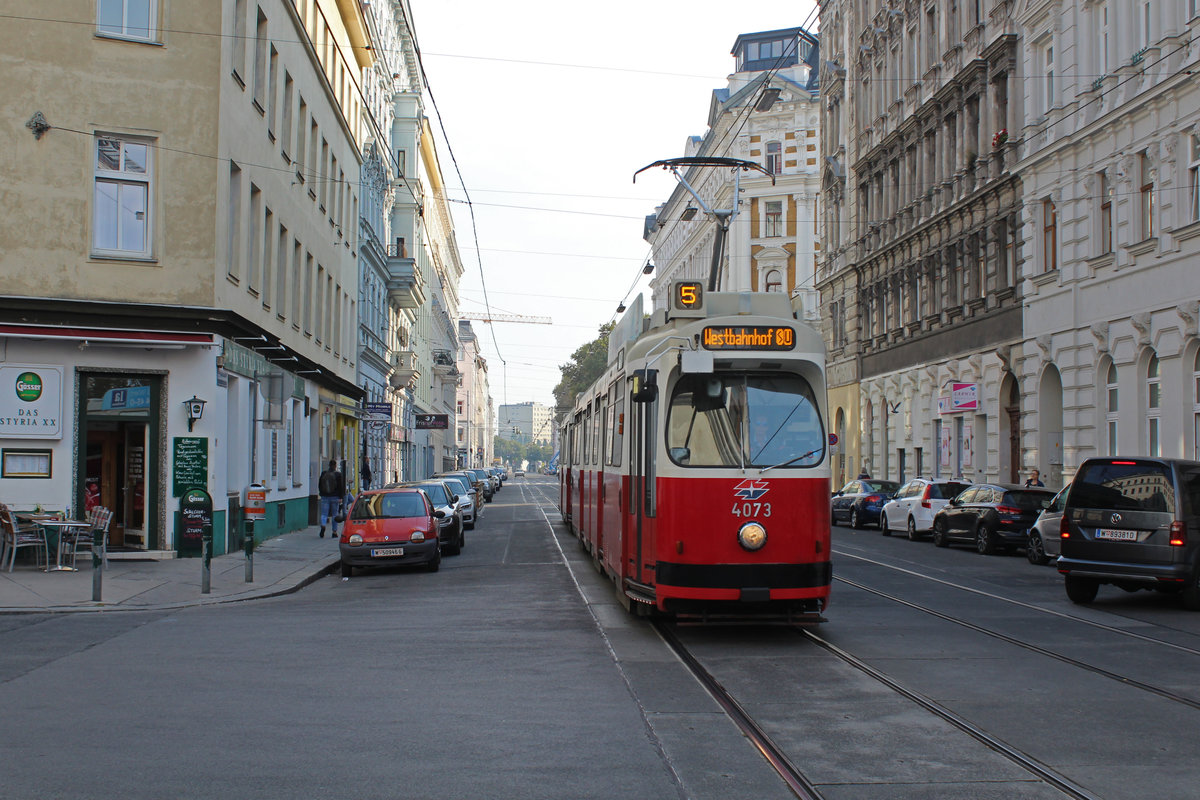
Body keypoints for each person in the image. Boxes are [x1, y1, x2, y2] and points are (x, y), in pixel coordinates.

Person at [317, 459, 345, 538]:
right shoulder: (338, 475)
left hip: (325, 497)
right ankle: (334, 532)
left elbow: (320, 485)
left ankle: (323, 525)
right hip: (335, 497)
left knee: (324, 514)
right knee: (334, 515)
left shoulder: (323, 473)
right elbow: (341, 487)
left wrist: (321, 493)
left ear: (329, 465)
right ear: (335, 466)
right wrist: (341, 497)